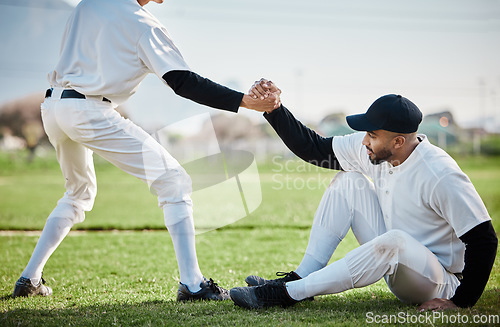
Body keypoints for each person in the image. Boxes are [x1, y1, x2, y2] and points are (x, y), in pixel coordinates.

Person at [12, 0, 279, 301]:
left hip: (53, 107)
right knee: (174, 181)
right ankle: (193, 285)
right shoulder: (144, 25)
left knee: (77, 194)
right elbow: (183, 81)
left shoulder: (90, 4)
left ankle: (29, 279)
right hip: (88, 110)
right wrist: (246, 101)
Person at [229, 79, 497, 310]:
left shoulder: (440, 173)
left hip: (438, 281)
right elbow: (314, 148)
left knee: (396, 240)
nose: (364, 140)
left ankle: (289, 294)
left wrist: (461, 301)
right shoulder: (374, 149)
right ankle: (300, 277)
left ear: (398, 142)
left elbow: (484, 239)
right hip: (397, 263)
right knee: (348, 181)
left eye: (372, 134)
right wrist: (274, 109)